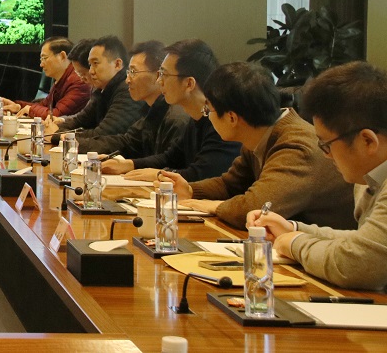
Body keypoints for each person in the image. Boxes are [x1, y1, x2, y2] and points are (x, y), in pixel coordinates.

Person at [159, 62, 355, 230]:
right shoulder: (259, 135)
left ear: (232, 118)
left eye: (208, 109)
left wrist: (214, 207)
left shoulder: (296, 146)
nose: (207, 116)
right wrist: (190, 190)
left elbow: (256, 208)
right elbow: (230, 185)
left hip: (322, 250)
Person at [250, 61, 387, 291]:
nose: (326, 155)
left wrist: (295, 244)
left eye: (326, 144)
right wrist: (293, 229)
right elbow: (364, 241)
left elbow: (357, 263)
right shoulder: (368, 179)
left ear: (367, 141)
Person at [124, 39, 241, 182]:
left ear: (189, 83)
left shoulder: (220, 120)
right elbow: (170, 158)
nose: (159, 81)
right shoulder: (195, 118)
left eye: (164, 75)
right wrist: (129, 164)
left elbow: (203, 174)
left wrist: (159, 175)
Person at [79, 41, 192, 174]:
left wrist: (130, 165)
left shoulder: (177, 118)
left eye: (133, 72)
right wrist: (72, 142)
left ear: (157, 75)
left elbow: (170, 164)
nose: (127, 80)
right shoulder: (152, 110)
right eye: (128, 72)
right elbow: (127, 142)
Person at [47, 35, 147, 140]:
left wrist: (57, 135)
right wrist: (55, 128)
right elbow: (80, 120)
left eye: (95, 63)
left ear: (117, 64)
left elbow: (102, 134)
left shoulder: (127, 90)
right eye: (90, 65)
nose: (91, 71)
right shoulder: (102, 90)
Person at [5, 37, 90, 119]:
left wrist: (30, 109)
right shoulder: (62, 79)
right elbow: (43, 106)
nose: (41, 64)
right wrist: (18, 106)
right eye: (41, 59)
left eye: (44, 58)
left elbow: (56, 115)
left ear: (62, 56)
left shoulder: (78, 81)